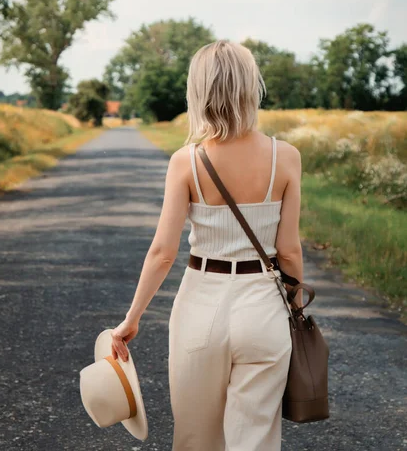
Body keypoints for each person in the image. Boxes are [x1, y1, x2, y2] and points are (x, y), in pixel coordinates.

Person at [111, 40, 304, 450]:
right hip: (264, 310)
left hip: (200, 306)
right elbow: (288, 251)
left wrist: (132, 318)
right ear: (251, 87)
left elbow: (163, 252)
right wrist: (296, 307)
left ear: (198, 92)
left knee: (197, 438)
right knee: (255, 439)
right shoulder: (285, 157)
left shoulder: (187, 161)